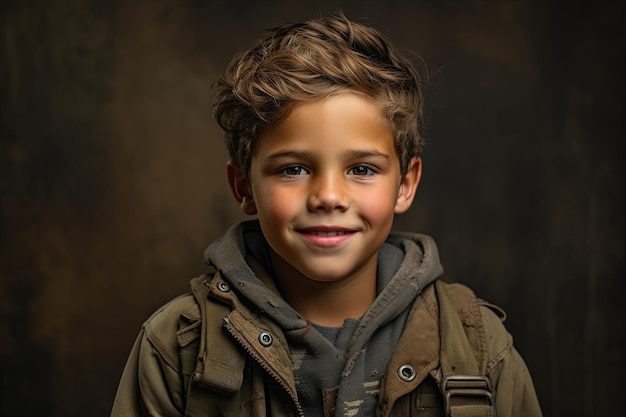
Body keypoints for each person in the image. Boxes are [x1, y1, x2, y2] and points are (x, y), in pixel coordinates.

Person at [110, 12, 543, 417]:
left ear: (405, 185)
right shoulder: (177, 346)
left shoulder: (476, 344)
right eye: (293, 169)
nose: (329, 196)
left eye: (361, 169)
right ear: (244, 188)